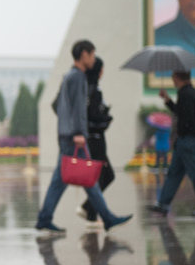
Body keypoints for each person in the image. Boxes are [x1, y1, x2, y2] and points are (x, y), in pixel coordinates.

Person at [36, 40, 132, 233]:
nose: (94, 59)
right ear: (84, 55)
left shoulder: (69, 76)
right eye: (92, 55)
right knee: (87, 179)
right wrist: (79, 132)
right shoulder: (78, 77)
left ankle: (45, 219)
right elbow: (79, 109)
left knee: (69, 180)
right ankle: (107, 217)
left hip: (66, 135)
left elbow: (60, 107)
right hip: (74, 137)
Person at [148, 71, 195, 216]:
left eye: (173, 78)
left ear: (177, 78)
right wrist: (168, 100)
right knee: (174, 173)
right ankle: (163, 204)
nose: (172, 81)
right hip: (183, 140)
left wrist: (181, 132)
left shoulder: (186, 93)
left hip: (188, 140)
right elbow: (180, 112)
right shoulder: (188, 92)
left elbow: (185, 116)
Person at [77, 57, 115, 223]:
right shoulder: (94, 91)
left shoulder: (88, 89)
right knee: (105, 175)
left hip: (93, 139)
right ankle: (88, 209)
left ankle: (90, 213)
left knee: (100, 176)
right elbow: (93, 117)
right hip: (96, 140)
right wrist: (106, 117)